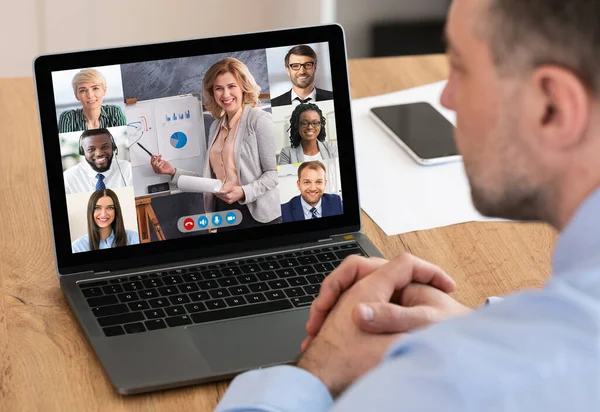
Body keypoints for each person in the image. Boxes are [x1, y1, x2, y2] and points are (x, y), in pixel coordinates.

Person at [216, 0, 600, 410]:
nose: (447, 98)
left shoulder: (442, 386)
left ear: (553, 107)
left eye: (461, 68)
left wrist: (319, 369)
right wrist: (478, 325)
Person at [151, 57, 281, 229]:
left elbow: (274, 173)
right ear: (212, 92)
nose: (225, 94)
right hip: (224, 212)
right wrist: (172, 172)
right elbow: (211, 180)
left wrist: (243, 192)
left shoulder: (259, 120)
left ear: (243, 86)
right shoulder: (215, 127)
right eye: (219, 88)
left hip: (257, 215)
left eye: (231, 86)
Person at [63, 128, 133, 195]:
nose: (99, 153)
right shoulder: (68, 178)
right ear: (82, 152)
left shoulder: (129, 170)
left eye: (105, 147)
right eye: (91, 149)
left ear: (113, 147)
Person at [58, 68, 126, 133]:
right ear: (76, 95)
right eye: (83, 90)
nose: (90, 95)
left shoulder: (115, 112)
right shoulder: (67, 118)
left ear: (104, 90)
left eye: (95, 88)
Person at [72, 189, 139, 253]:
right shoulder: (77, 247)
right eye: (97, 208)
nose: (103, 214)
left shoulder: (134, 238)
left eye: (110, 208)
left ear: (116, 211)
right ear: (91, 211)